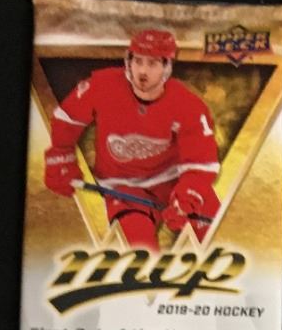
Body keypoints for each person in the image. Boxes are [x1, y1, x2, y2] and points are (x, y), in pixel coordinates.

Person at [43, 28, 221, 250]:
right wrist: (61, 153)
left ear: (167, 66)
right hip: (121, 185)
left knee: (218, 234)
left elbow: (201, 161)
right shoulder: (102, 85)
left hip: (172, 180)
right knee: (138, 250)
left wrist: (187, 197)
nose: (143, 71)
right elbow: (67, 117)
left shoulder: (188, 104)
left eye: (152, 63)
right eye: (138, 61)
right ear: (128, 61)